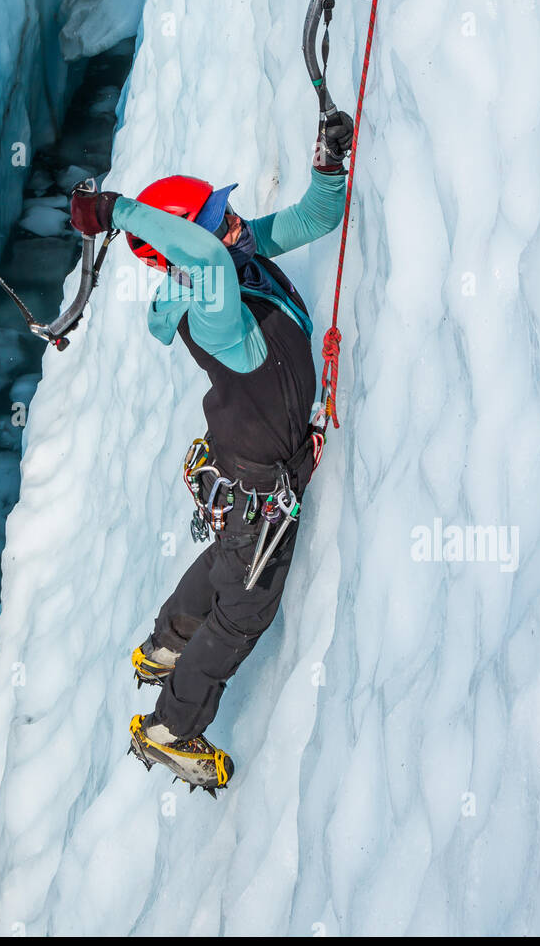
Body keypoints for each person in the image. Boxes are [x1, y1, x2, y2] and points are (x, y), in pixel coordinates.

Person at [70, 105, 354, 791]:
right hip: (261, 485)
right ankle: (171, 728)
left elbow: (312, 221)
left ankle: (166, 644)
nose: (232, 224)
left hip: (247, 469)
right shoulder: (212, 305)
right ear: (184, 250)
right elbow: (199, 254)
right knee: (245, 608)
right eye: (213, 222)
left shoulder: (234, 259)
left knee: (230, 563)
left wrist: (328, 163)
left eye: (223, 213)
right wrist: (119, 211)